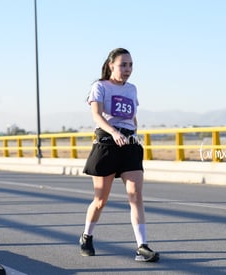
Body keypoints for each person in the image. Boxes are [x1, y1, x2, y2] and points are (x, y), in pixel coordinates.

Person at [80, 48, 159, 262]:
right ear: (111, 65)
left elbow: (132, 117)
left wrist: (133, 133)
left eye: (130, 65)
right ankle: (87, 236)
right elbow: (96, 115)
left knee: (135, 196)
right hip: (107, 144)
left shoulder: (132, 89)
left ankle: (142, 247)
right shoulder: (100, 87)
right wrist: (114, 132)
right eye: (123, 65)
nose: (127, 69)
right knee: (100, 200)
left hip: (129, 146)